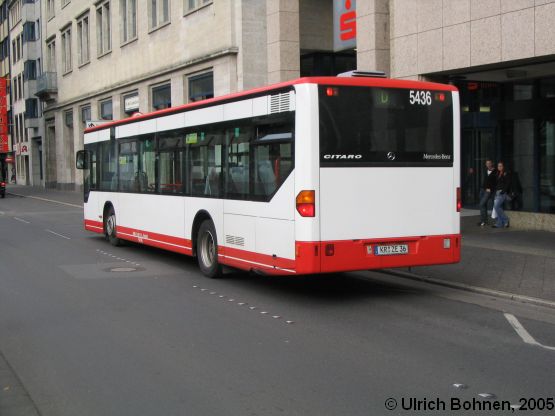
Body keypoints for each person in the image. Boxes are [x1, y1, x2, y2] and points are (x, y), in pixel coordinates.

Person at [492, 161, 512, 228]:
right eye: (498, 166)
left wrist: (503, 191)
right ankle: (500, 223)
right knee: (498, 207)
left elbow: (508, 183)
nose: (499, 167)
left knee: (496, 207)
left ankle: (505, 220)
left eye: (501, 166)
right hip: (497, 192)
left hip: (502, 192)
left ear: (503, 167)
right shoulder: (497, 173)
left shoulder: (506, 173)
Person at [477, 159, 497, 226]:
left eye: (489, 163)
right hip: (482, 189)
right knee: (483, 205)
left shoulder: (495, 171)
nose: (488, 165)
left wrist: (490, 189)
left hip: (488, 191)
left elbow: (496, 182)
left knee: (481, 204)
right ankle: (484, 221)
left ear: (492, 164)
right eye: (487, 163)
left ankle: (483, 221)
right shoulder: (485, 170)